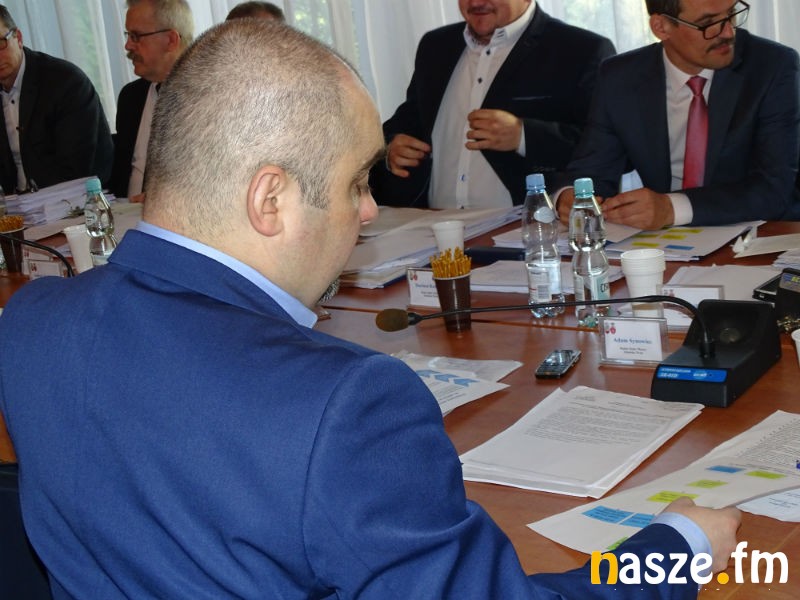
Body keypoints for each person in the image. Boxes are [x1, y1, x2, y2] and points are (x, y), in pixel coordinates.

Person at [0, 18, 740, 599]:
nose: (367, 210)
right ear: (270, 198)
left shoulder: (32, 322)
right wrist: (673, 552)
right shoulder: (345, 406)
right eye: (357, 181)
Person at [556, 0, 800, 230]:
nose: (728, 32)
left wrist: (671, 208)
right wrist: (569, 197)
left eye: (731, 13)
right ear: (661, 27)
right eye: (708, 23)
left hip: (758, 235)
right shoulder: (620, 77)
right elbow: (593, 169)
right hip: (665, 245)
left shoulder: (772, 67)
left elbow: (774, 189)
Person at [370, 0, 615, 209]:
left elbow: (604, 149)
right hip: (434, 228)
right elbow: (409, 119)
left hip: (528, 229)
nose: (476, 2)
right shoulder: (435, 46)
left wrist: (523, 136)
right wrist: (392, 146)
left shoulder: (581, 50)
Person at [0, 4, 112, 194]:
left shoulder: (65, 83)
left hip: (75, 202)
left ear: (18, 38)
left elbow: (77, 168)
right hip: (17, 207)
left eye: (1, 43)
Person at [108, 0, 193, 200]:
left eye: (136, 36)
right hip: (125, 213)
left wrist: (163, 201)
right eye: (128, 35)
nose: (128, 45)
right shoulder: (131, 97)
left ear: (171, 40)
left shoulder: (207, 95)